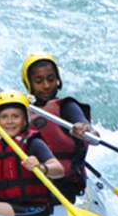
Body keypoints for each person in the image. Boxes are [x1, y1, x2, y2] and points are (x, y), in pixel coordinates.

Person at [19, 53, 95, 203]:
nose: (46, 85)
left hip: (64, 183)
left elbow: (88, 128)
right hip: (33, 177)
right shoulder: (25, 113)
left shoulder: (67, 106)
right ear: (29, 84)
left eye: (51, 79)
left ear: (58, 80)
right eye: (39, 81)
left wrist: (85, 130)